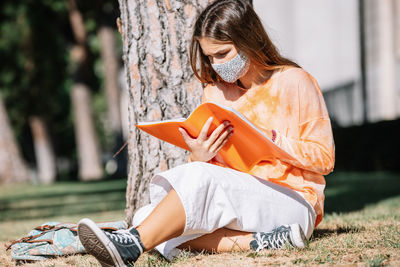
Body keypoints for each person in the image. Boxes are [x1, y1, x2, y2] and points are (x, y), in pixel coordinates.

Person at [77, 0, 335, 266]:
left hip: (292, 201)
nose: (216, 64)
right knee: (145, 216)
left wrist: (271, 140)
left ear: (249, 40)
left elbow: (325, 159)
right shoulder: (215, 93)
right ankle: (261, 241)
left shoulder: (295, 81)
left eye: (223, 54)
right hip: (240, 203)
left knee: (157, 225)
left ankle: (131, 246)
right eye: (210, 57)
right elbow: (214, 178)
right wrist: (199, 156)